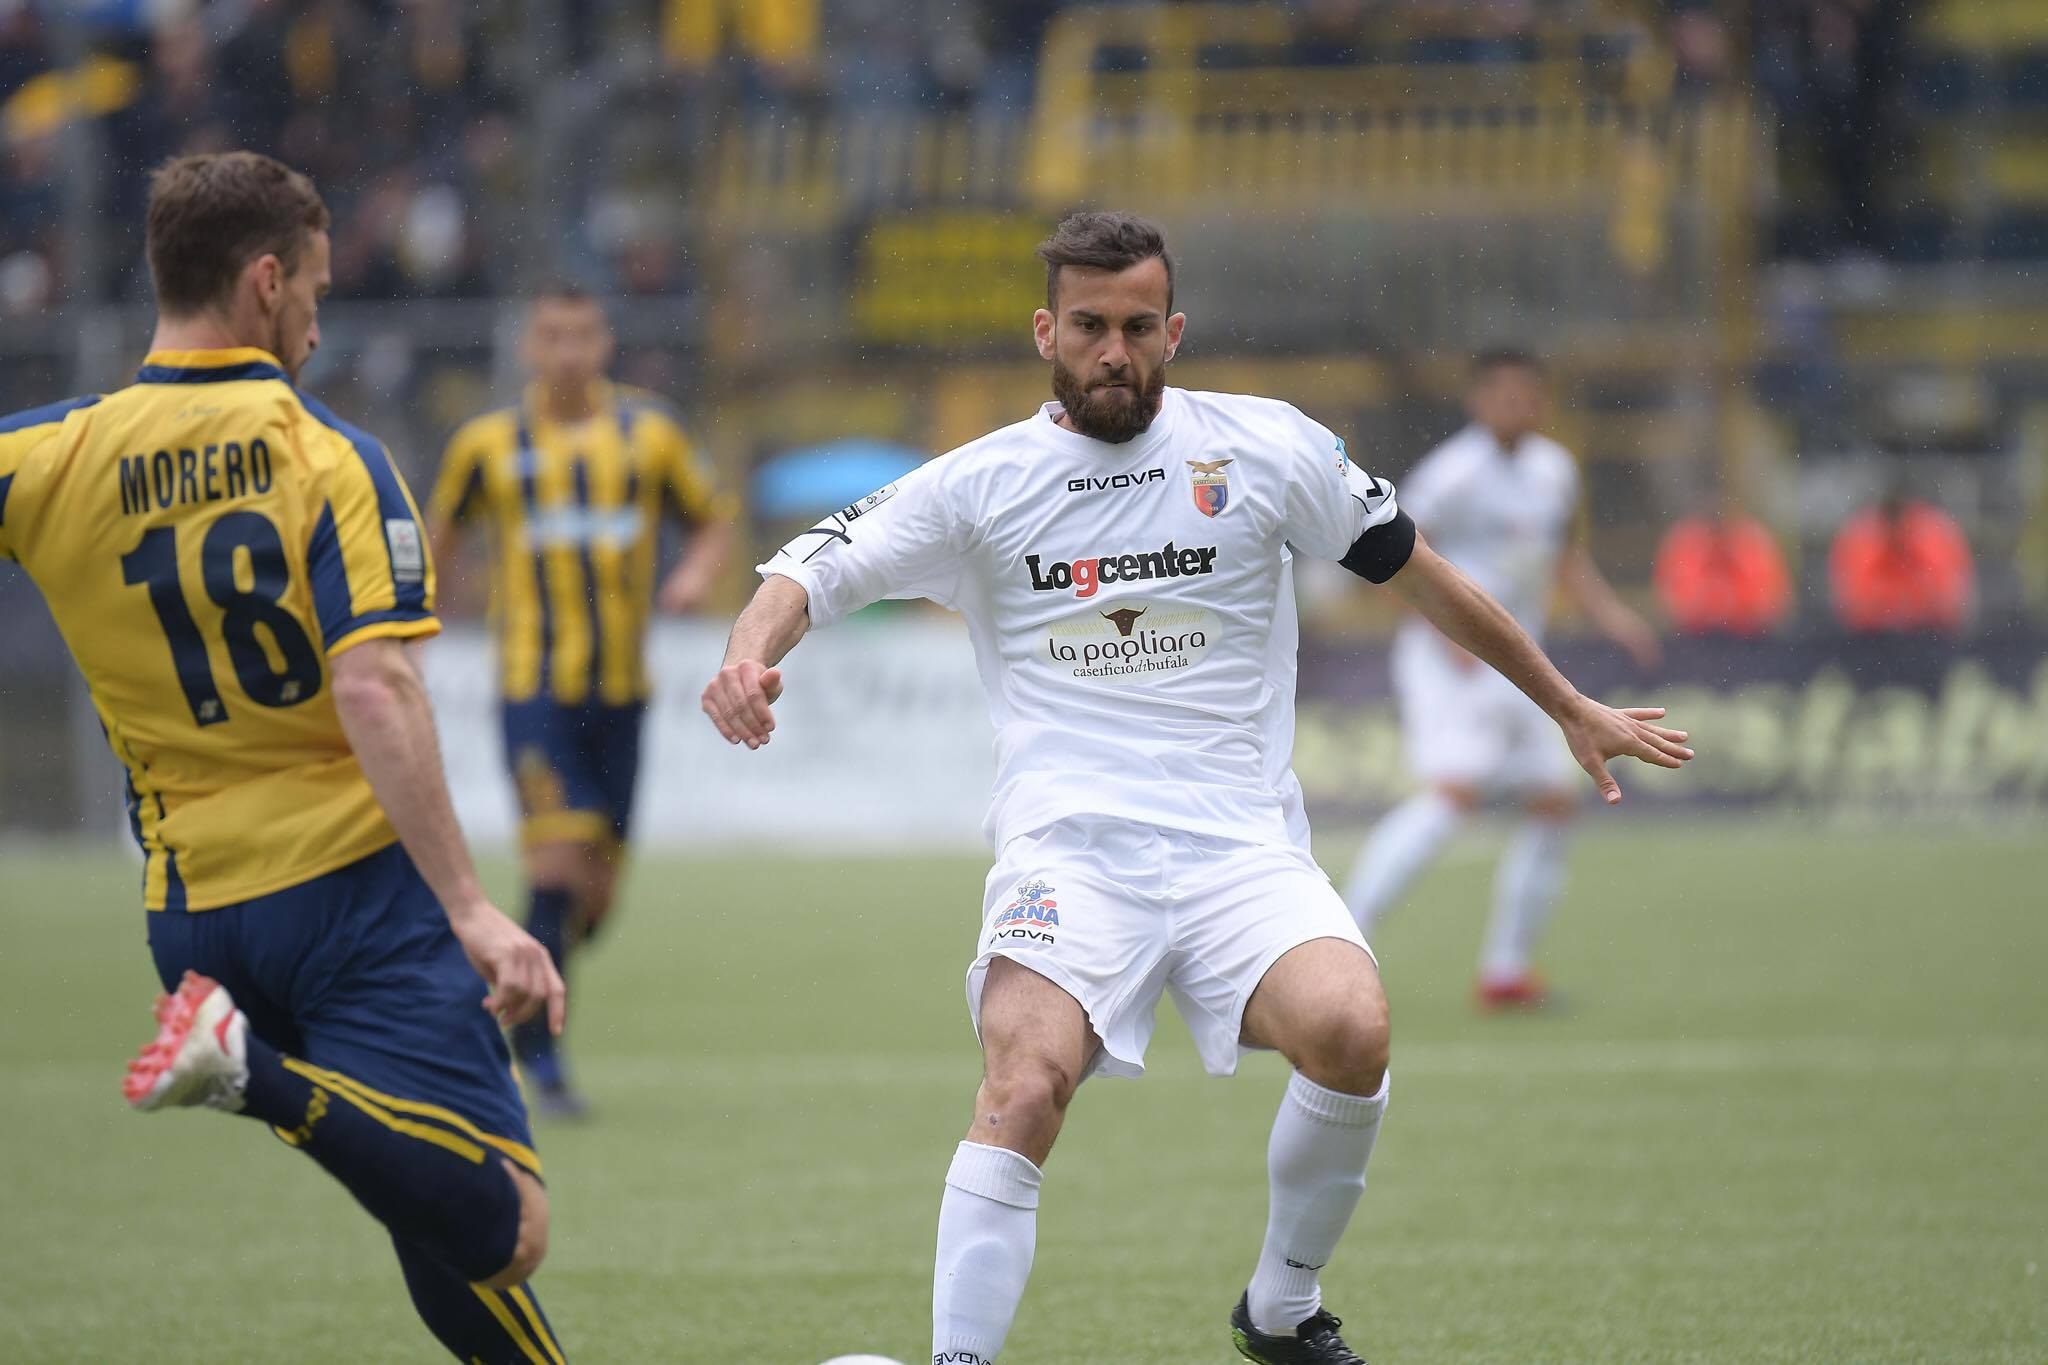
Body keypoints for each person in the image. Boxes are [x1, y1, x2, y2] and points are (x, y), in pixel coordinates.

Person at [701, 212, 1691, 1364]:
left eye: (1133, 327)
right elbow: (807, 571)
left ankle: (1278, 1307)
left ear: (1172, 331)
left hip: (1238, 850)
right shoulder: (980, 483)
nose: (1110, 351)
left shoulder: (1264, 449)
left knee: (1352, 1029)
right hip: (1067, 854)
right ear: (1044, 333)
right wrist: (745, 654)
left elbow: (1419, 575)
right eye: (1085, 327)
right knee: (1023, 1083)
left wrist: (1565, 702)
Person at [0, 151, 568, 1364]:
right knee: (502, 1226)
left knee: (413, 1191)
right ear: (265, 282)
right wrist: (471, 906)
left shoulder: (51, 455)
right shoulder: (328, 457)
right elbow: (372, 680)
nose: (316, 320)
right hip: (352, 894)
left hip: (191, 918)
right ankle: (249, 1073)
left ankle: (240, 1056)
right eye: (312, 289)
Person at [428, 283, 736, 1117]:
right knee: (556, 864)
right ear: (531, 345)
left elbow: (712, 518)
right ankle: (535, 1055)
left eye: (583, 335)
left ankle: (510, 982)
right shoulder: (488, 446)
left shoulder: (652, 433)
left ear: (604, 342)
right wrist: (422, 610)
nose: (568, 351)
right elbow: (439, 533)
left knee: (595, 897)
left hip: (624, 693)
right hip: (533, 690)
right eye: (552, 336)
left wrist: (697, 571)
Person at [1338, 349, 1664, 1010]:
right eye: (1503, 395)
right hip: (1451, 659)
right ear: (1478, 401)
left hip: (1521, 661)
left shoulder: (1555, 469)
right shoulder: (1451, 474)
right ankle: (1340, 943)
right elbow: (1392, 559)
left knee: (1553, 799)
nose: (1516, 406)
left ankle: (1507, 971)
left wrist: (1612, 615)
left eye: (1528, 395)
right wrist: (1446, 636)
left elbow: (1564, 556)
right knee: (1453, 794)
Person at [1829, 486, 1973, 633]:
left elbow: (1949, 605)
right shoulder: (1861, 545)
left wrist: (1896, 608)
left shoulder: (1935, 542)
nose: (1897, 533)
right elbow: (1854, 608)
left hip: (1929, 635)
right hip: (1872, 637)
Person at [1654, 495, 1793, 636]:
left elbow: (1771, 604)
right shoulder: (1685, 543)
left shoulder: (1754, 543)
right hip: (1695, 641)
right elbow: (1675, 606)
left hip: (1751, 641)